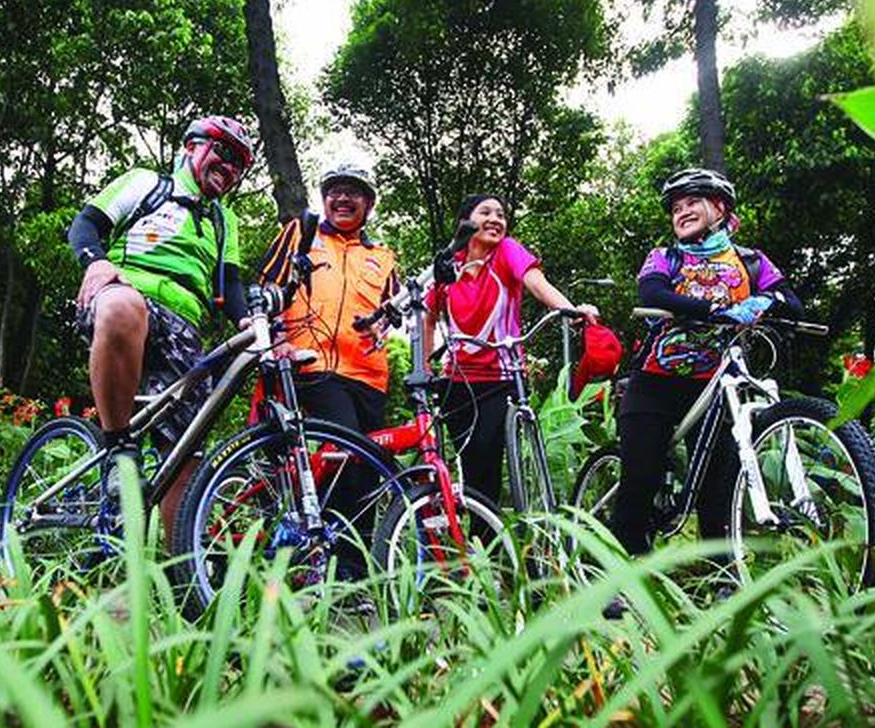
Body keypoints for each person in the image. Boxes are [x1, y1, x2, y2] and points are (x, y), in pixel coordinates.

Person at [609, 167, 804, 565]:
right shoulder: (664, 256)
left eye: (692, 202)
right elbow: (653, 292)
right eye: (676, 207)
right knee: (640, 478)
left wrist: (763, 304)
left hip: (715, 387)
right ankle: (616, 572)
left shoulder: (751, 261)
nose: (682, 212)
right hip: (655, 383)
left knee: (720, 483)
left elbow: (791, 303)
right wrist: (718, 310)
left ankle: (724, 573)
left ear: (720, 208)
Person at [67, 115, 255, 510]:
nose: (230, 167)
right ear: (191, 147)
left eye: (239, 164)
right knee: (123, 305)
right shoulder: (148, 184)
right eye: (222, 151)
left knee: (185, 455)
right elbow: (86, 224)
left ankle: (179, 568)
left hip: (184, 329)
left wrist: (248, 320)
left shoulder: (225, 221)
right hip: (124, 295)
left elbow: (230, 284)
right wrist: (95, 262)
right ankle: (118, 448)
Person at [257, 160, 398, 575]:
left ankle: (351, 572)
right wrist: (277, 340)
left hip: (369, 377)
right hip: (312, 367)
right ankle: (322, 560)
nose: (342, 198)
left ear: (368, 204)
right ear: (324, 197)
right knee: (347, 451)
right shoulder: (301, 233)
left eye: (353, 192)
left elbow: (392, 310)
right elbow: (268, 291)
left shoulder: (384, 257)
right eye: (335, 189)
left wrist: (387, 321)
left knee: (367, 470)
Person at [424, 194, 599, 506]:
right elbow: (427, 317)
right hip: (456, 380)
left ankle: (489, 539)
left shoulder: (506, 251)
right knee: (469, 464)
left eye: (501, 214)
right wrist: (424, 370)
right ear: (466, 222)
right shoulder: (450, 264)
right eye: (486, 212)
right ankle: (478, 538)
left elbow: (535, 282)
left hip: (499, 377)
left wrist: (570, 310)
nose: (495, 219)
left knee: (487, 458)